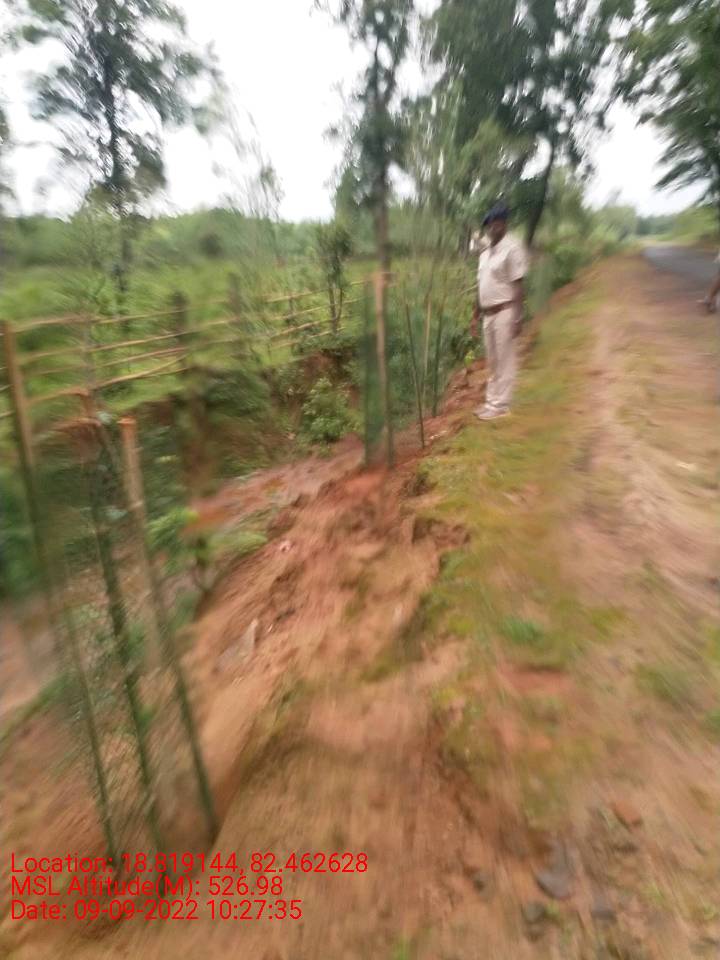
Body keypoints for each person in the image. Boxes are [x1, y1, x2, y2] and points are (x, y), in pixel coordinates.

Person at [474, 202, 528, 421]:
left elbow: (518, 284)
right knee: (493, 360)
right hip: (487, 314)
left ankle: (501, 405)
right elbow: (480, 284)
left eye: (497, 223)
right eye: (489, 224)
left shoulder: (512, 248)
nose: (492, 228)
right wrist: (475, 314)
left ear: (504, 224)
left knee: (505, 359)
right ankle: (491, 401)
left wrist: (518, 317)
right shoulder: (485, 253)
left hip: (505, 311)